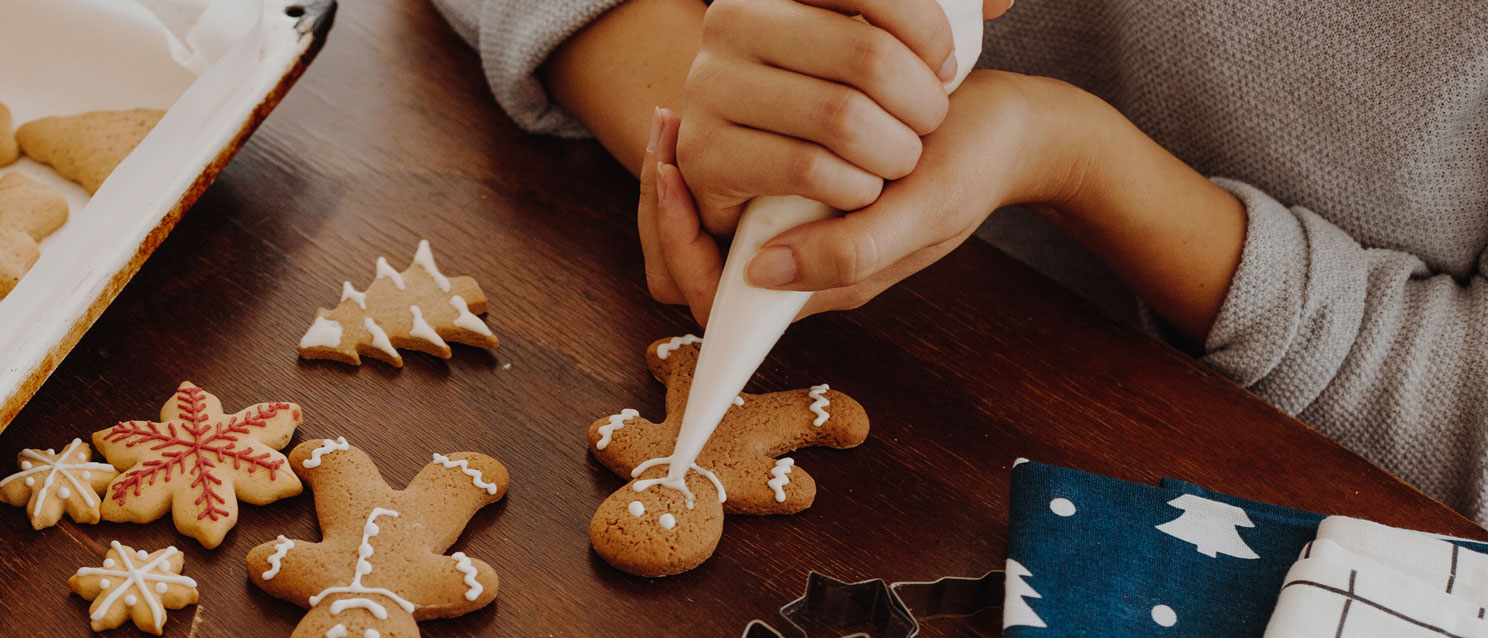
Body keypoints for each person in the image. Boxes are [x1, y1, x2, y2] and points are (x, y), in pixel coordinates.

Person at [429, 0, 1488, 523]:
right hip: (586, 244)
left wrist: (1072, 155)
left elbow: (1466, 435)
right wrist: (695, 116)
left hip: (1155, 519)